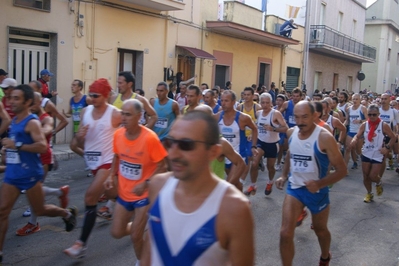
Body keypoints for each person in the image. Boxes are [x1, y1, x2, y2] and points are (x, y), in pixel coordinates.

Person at [141, 111, 254, 266]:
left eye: (186, 145)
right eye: (169, 143)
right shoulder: (157, 186)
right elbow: (149, 253)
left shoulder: (234, 208)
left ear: (213, 152)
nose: (173, 153)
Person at [0, 85, 76, 263]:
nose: (11, 101)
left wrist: (16, 146)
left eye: (16, 98)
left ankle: (66, 214)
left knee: (40, 210)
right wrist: (7, 152)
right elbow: (16, 146)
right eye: (11, 98)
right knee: (3, 212)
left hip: (30, 175)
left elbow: (42, 146)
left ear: (27, 102)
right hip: (13, 174)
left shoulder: (32, 122)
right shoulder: (14, 121)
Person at [275, 101, 347, 266]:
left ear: (315, 116)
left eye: (305, 117)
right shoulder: (291, 132)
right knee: (285, 233)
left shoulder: (324, 137)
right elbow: (290, 155)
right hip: (295, 189)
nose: (300, 122)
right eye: (297, 117)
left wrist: (320, 183)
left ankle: (325, 256)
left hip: (317, 192)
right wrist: (284, 175)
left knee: (320, 230)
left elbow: (342, 170)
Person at [104, 99, 167, 265]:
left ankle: (142, 261)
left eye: (128, 115)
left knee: (135, 237)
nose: (123, 118)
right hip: (125, 193)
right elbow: (117, 156)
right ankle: (142, 225)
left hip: (144, 195)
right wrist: (111, 175)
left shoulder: (150, 138)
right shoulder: (118, 134)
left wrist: (146, 182)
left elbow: (163, 165)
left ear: (139, 116)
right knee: (117, 232)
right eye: (122, 114)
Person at [64, 78, 122, 258]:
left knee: (90, 197)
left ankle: (81, 244)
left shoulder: (115, 114)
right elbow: (76, 143)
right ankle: (135, 205)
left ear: (105, 96)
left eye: (96, 95)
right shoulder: (85, 112)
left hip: (108, 163)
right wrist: (80, 137)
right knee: (116, 196)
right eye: (90, 94)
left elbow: (129, 135)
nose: (92, 98)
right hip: (93, 164)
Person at [16, 92, 70, 235]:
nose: (30, 106)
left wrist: (47, 132)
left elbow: (47, 129)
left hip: (43, 159)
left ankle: (33, 224)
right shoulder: (27, 118)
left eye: (33, 103)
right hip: (31, 159)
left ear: (39, 103)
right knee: (33, 190)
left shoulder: (45, 118)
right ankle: (60, 192)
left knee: (33, 191)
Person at [349, 104, 395, 203]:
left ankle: (378, 182)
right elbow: (357, 135)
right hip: (366, 152)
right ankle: (369, 193)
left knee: (373, 176)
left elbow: (393, 137)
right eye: (370, 115)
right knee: (366, 176)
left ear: (378, 114)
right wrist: (354, 140)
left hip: (378, 153)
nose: (372, 117)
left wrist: (387, 148)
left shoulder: (383, 125)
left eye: (374, 115)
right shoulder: (364, 125)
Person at [215, 90, 258, 190]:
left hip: (239, 156)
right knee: (235, 183)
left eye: (226, 101)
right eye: (222, 100)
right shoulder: (217, 117)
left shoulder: (243, 118)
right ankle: (242, 201)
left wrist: (253, 146)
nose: (223, 103)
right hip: (225, 156)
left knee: (228, 185)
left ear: (234, 102)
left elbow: (254, 129)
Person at [247, 93, 288, 196]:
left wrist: (273, 129)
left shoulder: (276, 113)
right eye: (263, 102)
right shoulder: (258, 113)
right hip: (260, 142)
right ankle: (252, 185)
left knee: (270, 167)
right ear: (260, 103)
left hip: (272, 144)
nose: (265, 105)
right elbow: (256, 126)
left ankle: (270, 182)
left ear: (271, 103)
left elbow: (286, 128)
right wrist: (252, 134)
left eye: (267, 103)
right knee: (255, 163)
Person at [237, 87, 261, 193]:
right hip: (242, 137)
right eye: (244, 95)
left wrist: (252, 132)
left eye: (248, 95)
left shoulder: (257, 108)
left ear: (253, 96)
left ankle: (241, 182)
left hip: (253, 137)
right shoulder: (239, 107)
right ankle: (241, 182)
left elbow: (259, 124)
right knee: (245, 159)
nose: (246, 97)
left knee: (248, 159)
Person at [63, 79, 91, 157]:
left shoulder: (86, 99)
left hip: (85, 128)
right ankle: (88, 158)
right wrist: (65, 114)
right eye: (72, 85)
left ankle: (90, 159)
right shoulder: (71, 100)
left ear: (80, 87)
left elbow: (94, 110)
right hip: (76, 127)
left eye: (74, 85)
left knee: (75, 145)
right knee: (74, 146)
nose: (72, 87)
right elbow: (70, 112)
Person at [344, 93, 368, 169]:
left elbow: (368, 120)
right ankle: (345, 167)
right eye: (353, 99)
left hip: (359, 132)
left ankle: (362, 159)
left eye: (357, 99)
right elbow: (347, 120)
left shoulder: (363, 108)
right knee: (348, 148)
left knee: (357, 150)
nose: (355, 100)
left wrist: (360, 121)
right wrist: (342, 126)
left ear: (360, 100)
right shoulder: (349, 109)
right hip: (351, 131)